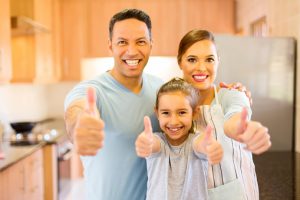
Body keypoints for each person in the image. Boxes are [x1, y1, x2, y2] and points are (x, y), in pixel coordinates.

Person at [64, 8, 252, 200]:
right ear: (110, 46)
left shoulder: (160, 89)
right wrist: (81, 124)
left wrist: (236, 93)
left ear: (150, 45)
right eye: (122, 42)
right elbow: (75, 112)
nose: (131, 50)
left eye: (140, 41)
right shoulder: (92, 91)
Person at [177, 29, 272, 200]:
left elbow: (234, 119)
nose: (201, 67)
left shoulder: (231, 95)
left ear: (218, 62)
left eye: (209, 59)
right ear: (180, 62)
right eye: (192, 59)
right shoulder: (172, 105)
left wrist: (243, 129)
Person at [135, 78, 223, 200]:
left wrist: (208, 146)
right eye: (166, 113)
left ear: (194, 113)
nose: (174, 121)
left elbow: (200, 145)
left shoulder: (195, 141)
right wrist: (146, 143)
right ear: (157, 113)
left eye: (182, 112)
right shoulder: (158, 141)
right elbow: (153, 144)